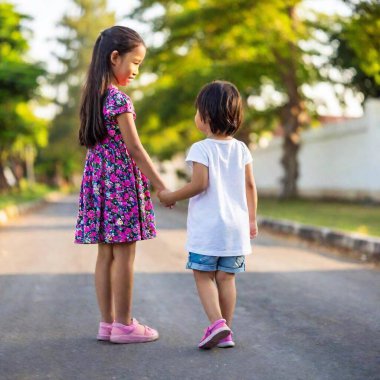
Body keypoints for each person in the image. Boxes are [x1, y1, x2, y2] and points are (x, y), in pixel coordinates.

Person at [74, 26, 168, 344]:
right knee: (125, 255)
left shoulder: (92, 99)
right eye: (135, 62)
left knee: (105, 255)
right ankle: (125, 325)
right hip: (121, 188)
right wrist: (161, 186)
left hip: (99, 188)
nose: (137, 71)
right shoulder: (118, 100)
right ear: (115, 58)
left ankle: (107, 324)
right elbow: (135, 150)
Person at [158, 80, 258, 349]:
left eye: (197, 110)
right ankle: (227, 330)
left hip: (209, 227)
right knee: (227, 278)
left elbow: (199, 184)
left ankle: (216, 324)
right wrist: (251, 219)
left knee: (203, 275)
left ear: (206, 116)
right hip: (236, 227)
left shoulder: (201, 148)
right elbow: (250, 185)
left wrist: (170, 196)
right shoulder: (242, 148)